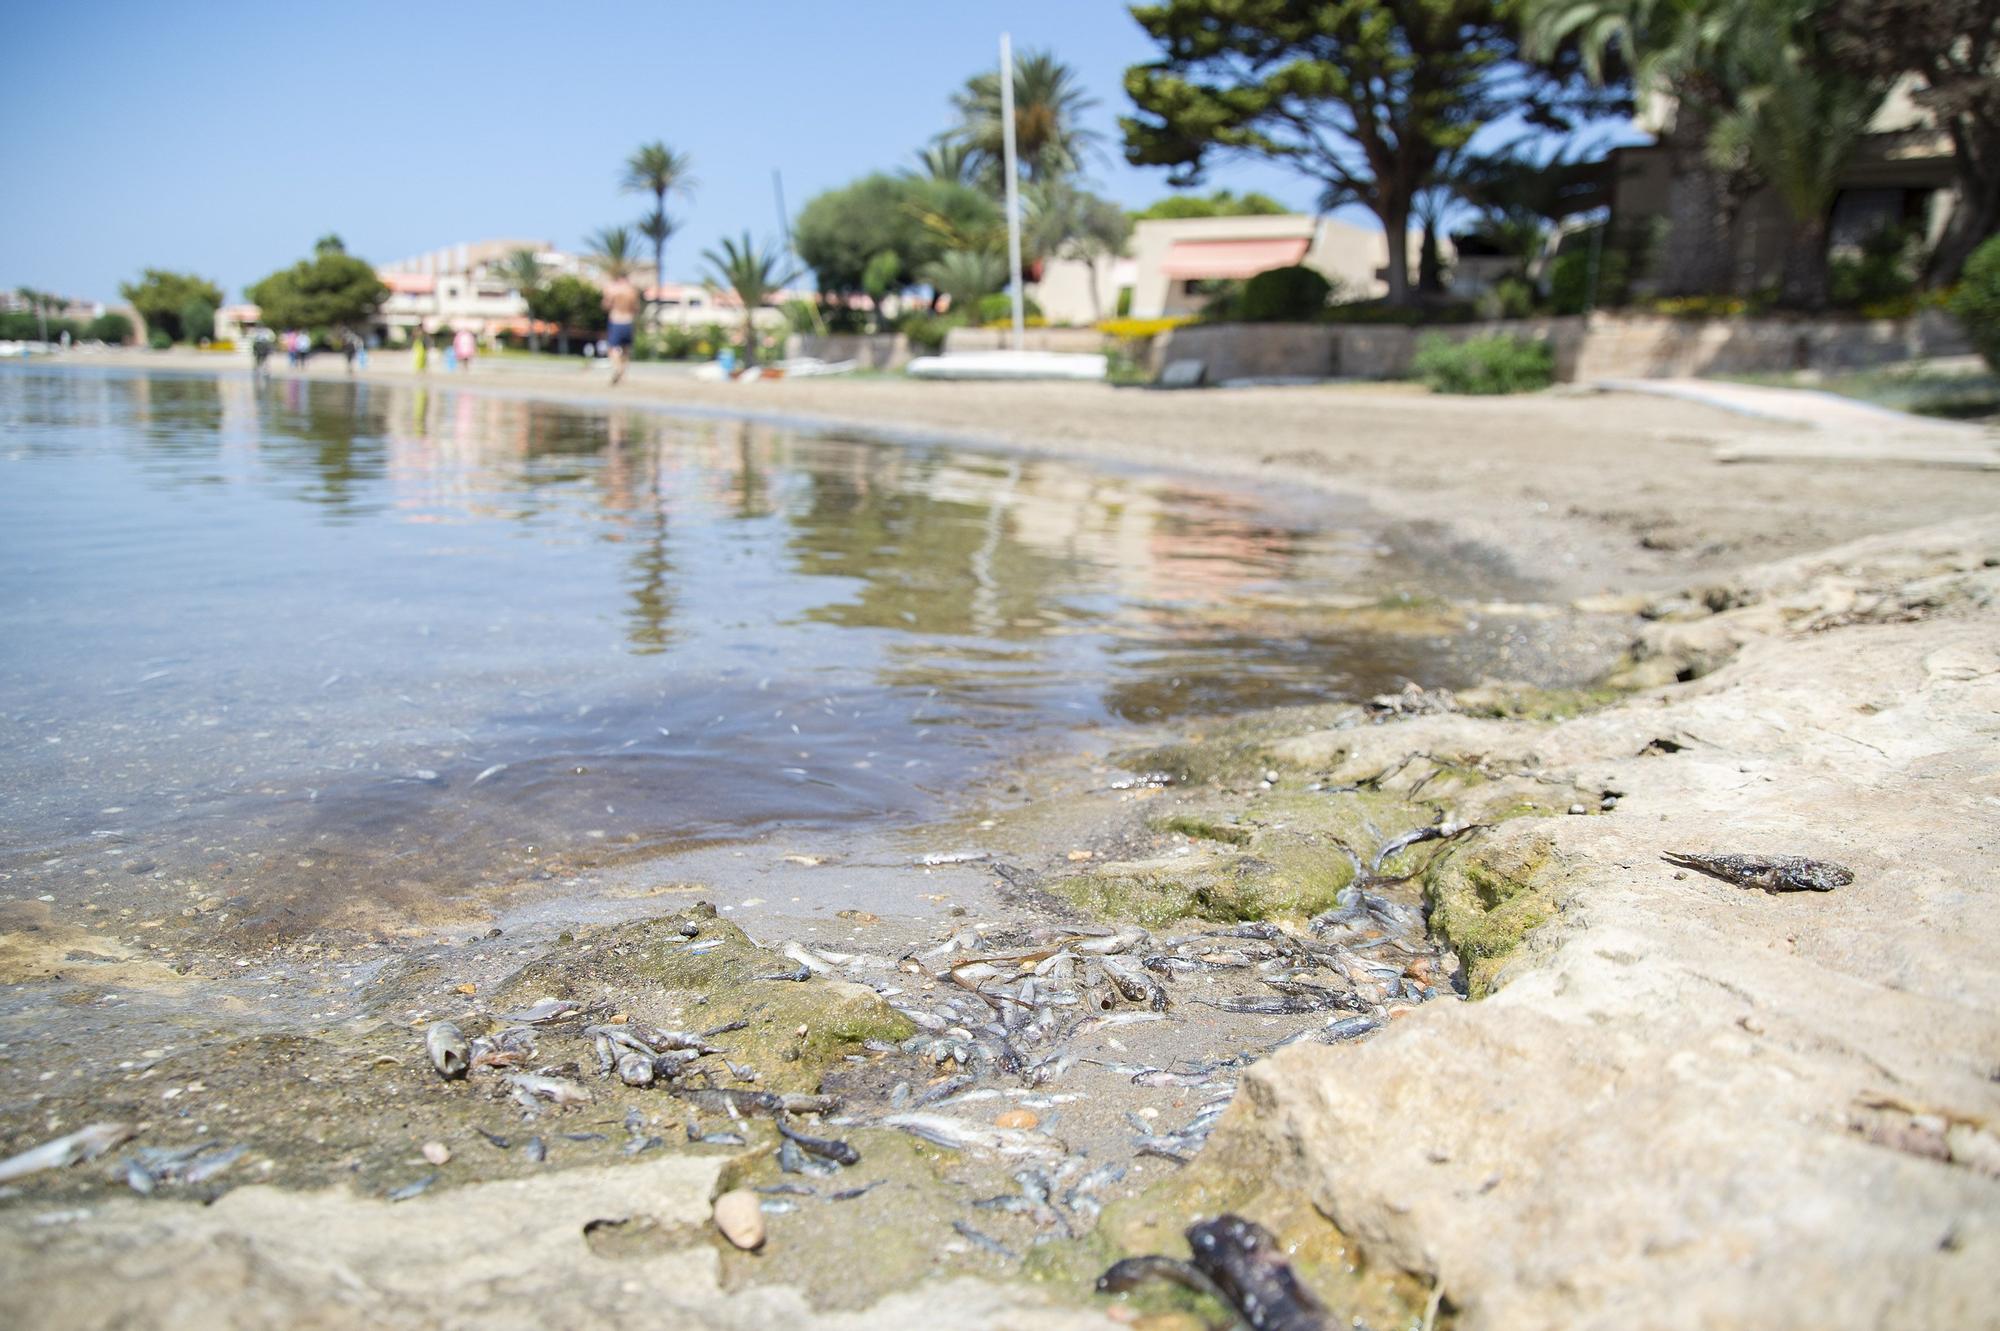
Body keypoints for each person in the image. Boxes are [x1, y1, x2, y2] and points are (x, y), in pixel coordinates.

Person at [602, 274, 639, 384]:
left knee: (612, 349)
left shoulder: (613, 289)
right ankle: (623, 375)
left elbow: (605, 305)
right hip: (628, 321)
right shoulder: (632, 291)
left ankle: (618, 368)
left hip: (616, 320)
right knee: (626, 350)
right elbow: (636, 308)